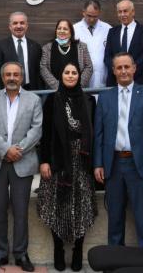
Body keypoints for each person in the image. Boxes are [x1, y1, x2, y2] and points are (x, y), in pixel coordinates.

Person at [94, 54, 143, 250]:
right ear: (113, 71)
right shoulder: (105, 97)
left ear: (134, 68)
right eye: (119, 68)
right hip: (113, 164)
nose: (123, 71)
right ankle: (116, 258)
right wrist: (98, 163)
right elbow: (98, 134)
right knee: (115, 216)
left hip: (139, 164)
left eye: (127, 67)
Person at [0, 62, 43, 272]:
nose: (12, 78)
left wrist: (18, 150)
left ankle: (21, 254)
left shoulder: (34, 100)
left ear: (22, 77)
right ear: (2, 77)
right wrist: (5, 150)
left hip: (22, 162)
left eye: (16, 74)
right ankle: (0, 253)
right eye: (8, 74)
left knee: (21, 212)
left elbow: (36, 130)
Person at [39, 63, 97, 270]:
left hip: (82, 160)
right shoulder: (52, 100)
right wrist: (44, 161)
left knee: (83, 205)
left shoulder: (89, 100)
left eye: (74, 73)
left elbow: (95, 133)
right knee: (56, 204)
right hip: (58, 160)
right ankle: (58, 249)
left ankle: (78, 250)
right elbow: (46, 133)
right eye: (67, 72)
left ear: (79, 76)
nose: (71, 76)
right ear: (60, 75)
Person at [104, 0, 143, 86]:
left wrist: (130, 72)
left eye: (125, 11)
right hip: (115, 82)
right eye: (120, 12)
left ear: (133, 12)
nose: (122, 14)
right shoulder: (112, 32)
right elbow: (107, 57)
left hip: (139, 81)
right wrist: (118, 72)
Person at [0, 12, 42, 91]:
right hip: (9, 89)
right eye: (15, 23)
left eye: (22, 23)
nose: (19, 26)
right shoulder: (0, 46)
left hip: (31, 90)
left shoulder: (35, 46)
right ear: (10, 26)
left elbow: (38, 72)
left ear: (27, 26)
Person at [40, 19, 93, 90]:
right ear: (56, 31)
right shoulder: (47, 48)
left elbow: (88, 67)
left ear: (71, 32)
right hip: (55, 92)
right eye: (59, 28)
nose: (62, 31)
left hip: (78, 91)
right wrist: (58, 87)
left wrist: (77, 85)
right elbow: (43, 68)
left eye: (65, 29)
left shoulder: (82, 47)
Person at [73, 0, 112, 91]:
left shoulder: (108, 29)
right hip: (81, 77)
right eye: (89, 16)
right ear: (83, 12)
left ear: (99, 13)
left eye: (95, 16)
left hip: (103, 76)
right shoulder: (74, 29)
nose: (91, 19)